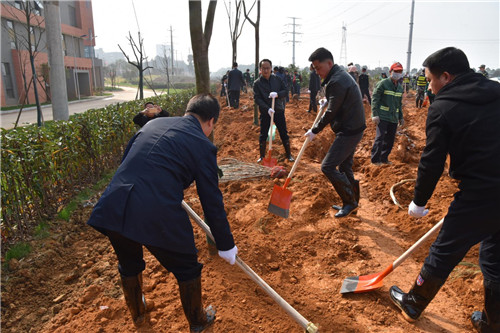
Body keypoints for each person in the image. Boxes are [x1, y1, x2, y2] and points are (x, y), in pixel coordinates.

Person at [87, 94, 238, 331]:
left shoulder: (153, 124)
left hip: (116, 203)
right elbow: (211, 200)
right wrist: (226, 243)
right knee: (187, 267)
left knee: (129, 263)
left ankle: (138, 314)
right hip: (155, 210)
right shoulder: (203, 145)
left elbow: (130, 161)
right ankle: (198, 321)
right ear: (211, 121)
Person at [389, 47, 500, 333]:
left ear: (446, 77)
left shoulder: (443, 106)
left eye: (430, 79)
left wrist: (419, 201)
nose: (429, 85)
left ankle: (413, 303)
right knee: (495, 257)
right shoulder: (496, 91)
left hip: (481, 193)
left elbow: (432, 160)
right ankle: (492, 323)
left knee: (443, 250)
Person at [305, 47, 366, 218]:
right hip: (353, 127)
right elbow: (336, 101)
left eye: (318, 68)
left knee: (328, 166)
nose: (317, 72)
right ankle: (353, 202)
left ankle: (350, 202)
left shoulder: (336, 80)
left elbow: (331, 112)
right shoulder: (338, 75)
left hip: (350, 130)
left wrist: (315, 130)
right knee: (345, 166)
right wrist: (328, 100)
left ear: (329, 63)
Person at [253, 59, 294, 162]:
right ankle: (262, 156)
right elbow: (257, 98)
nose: (266, 70)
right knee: (263, 134)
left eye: (267, 68)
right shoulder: (257, 83)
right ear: (260, 69)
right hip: (266, 112)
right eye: (263, 68)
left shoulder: (277, 80)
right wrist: (267, 109)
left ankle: (288, 154)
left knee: (283, 132)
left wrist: (278, 94)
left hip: (278, 110)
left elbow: (285, 91)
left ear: (271, 68)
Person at [370, 62, 404, 165]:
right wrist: (374, 113)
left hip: (393, 117)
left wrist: (401, 117)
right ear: (390, 72)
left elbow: (399, 104)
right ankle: (375, 160)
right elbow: (375, 98)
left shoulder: (400, 87)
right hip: (383, 116)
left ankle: (384, 159)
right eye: (396, 71)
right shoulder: (383, 83)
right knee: (380, 138)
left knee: (390, 140)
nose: (398, 73)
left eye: (400, 72)